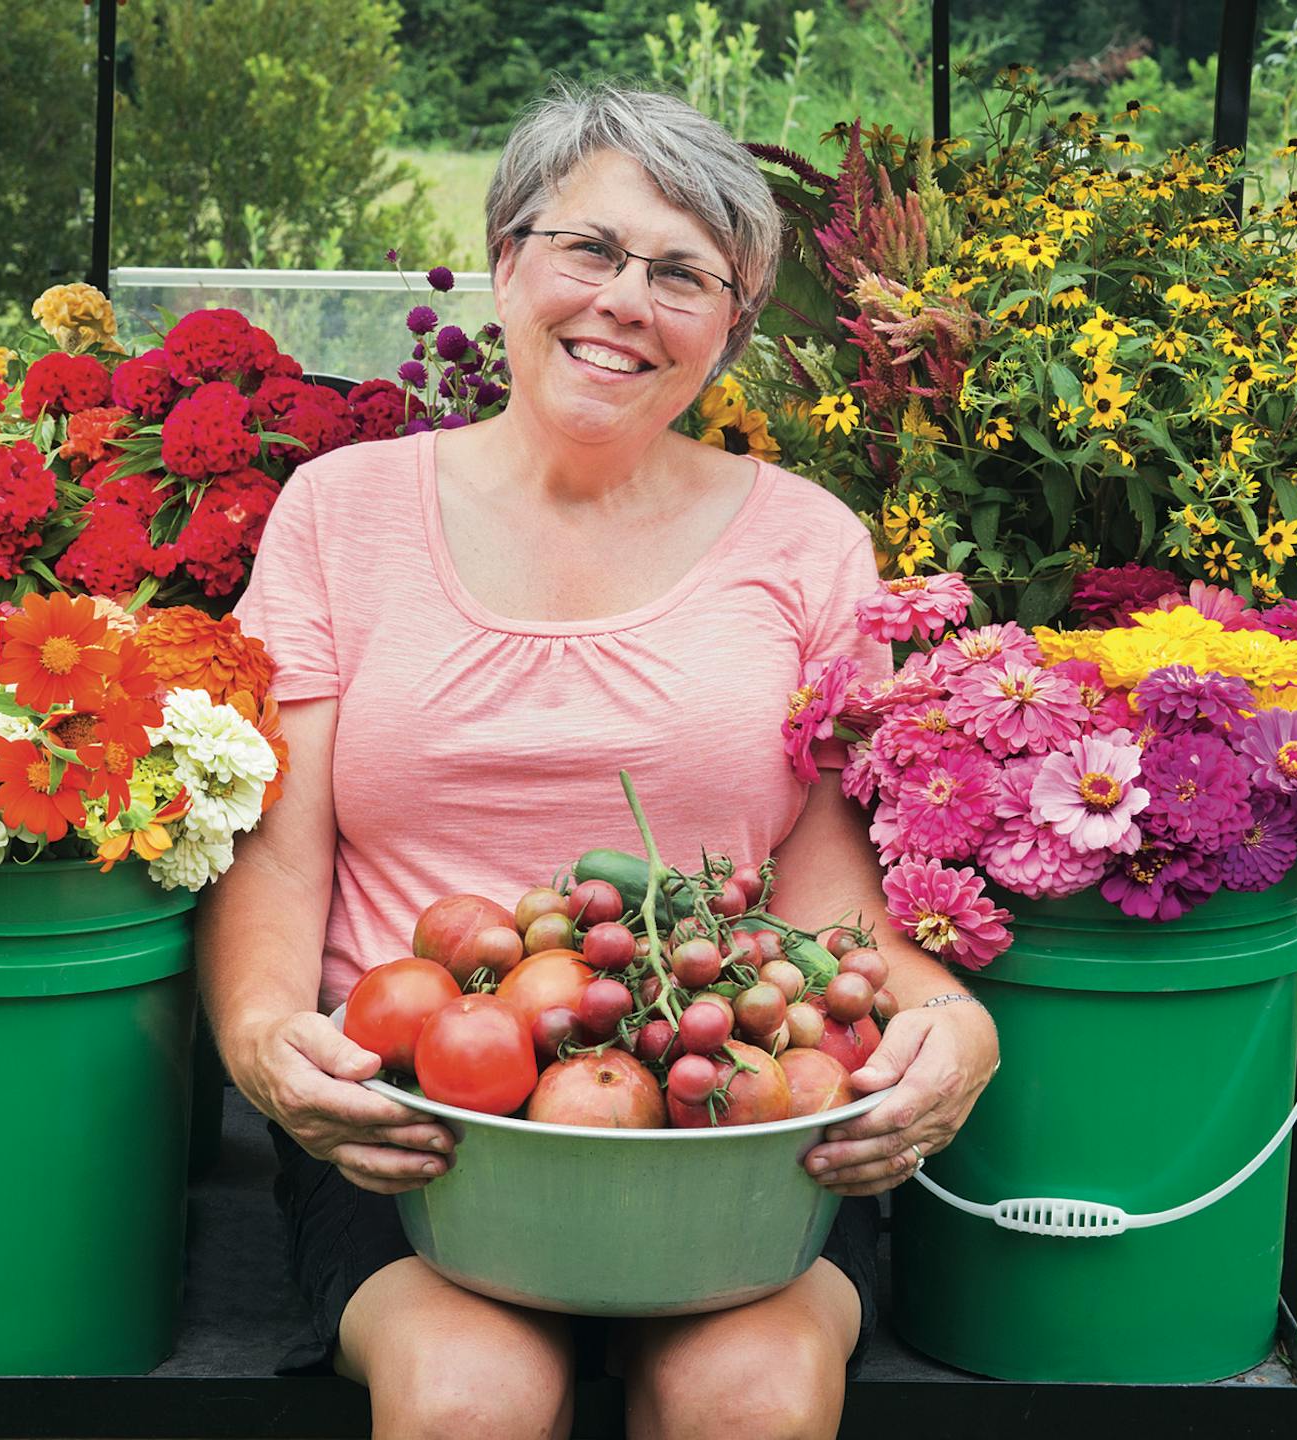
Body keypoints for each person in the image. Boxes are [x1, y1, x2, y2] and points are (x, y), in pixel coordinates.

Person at [204, 80, 1000, 1439]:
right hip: (422, 1121)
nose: (628, 300)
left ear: (732, 331)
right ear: (508, 259)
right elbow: (279, 870)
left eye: (686, 274)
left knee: (745, 1392)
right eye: (590, 249)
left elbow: (828, 897)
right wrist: (270, 1046)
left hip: (725, 1096)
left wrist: (957, 1032)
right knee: (469, 1394)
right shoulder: (344, 516)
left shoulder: (807, 546)